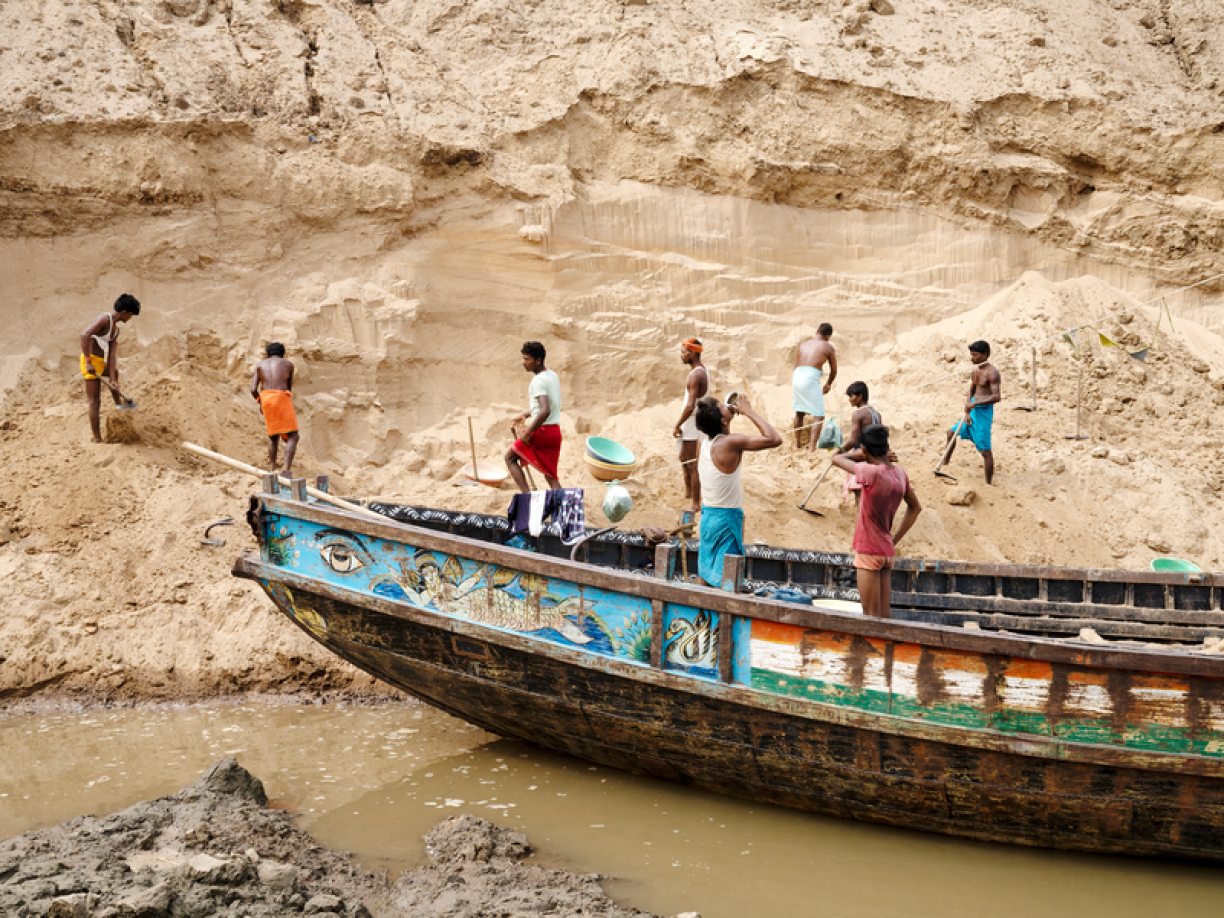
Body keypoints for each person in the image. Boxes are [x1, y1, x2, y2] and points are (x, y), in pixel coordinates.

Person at [832, 425, 922, 619]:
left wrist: (860, 454)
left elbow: (836, 458)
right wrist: (894, 539)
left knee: (871, 616)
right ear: (887, 447)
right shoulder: (900, 473)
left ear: (865, 450)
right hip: (886, 551)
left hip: (868, 550)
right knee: (884, 616)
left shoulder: (871, 472)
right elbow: (916, 508)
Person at [694, 394, 782, 588]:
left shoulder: (703, 439)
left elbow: (708, 425)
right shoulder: (730, 443)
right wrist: (748, 411)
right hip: (726, 520)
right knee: (729, 580)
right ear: (723, 420)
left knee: (705, 575)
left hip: (707, 517)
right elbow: (774, 439)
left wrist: (727, 414)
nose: (725, 405)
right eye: (721, 406)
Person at [79, 294, 140, 443]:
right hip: (90, 362)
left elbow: (111, 356)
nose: (130, 318)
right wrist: (88, 362)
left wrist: (113, 380)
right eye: (131, 315)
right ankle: (97, 438)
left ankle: (119, 406)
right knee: (95, 401)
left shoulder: (116, 330)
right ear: (124, 312)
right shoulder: (105, 319)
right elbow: (84, 336)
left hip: (100, 362)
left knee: (115, 374)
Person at [941, 340, 1002, 484]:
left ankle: (988, 483)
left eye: (975, 355)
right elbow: (971, 391)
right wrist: (968, 410)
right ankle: (944, 464)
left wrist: (975, 403)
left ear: (984, 355)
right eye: (971, 355)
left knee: (985, 451)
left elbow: (996, 397)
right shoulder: (975, 371)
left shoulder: (992, 372)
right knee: (951, 433)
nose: (972, 358)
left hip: (984, 413)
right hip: (972, 411)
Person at [506, 341, 562, 493]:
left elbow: (545, 411)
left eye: (527, 359)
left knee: (510, 458)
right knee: (551, 476)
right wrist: (525, 414)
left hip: (541, 433)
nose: (523, 362)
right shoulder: (552, 375)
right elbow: (548, 407)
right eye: (523, 358)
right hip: (554, 433)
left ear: (538, 360)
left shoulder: (538, 381)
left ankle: (528, 497)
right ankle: (563, 507)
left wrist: (527, 434)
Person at [671, 337, 710, 516]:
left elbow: (690, 406)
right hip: (692, 422)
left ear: (692, 353)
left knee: (693, 464)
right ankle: (689, 493)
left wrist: (677, 424)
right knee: (684, 458)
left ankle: (695, 504)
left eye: (683, 352)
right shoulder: (701, 371)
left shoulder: (696, 375)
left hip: (692, 423)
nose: (681, 355)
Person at [251, 342, 300, 476]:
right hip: (281, 396)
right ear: (283, 354)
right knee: (293, 436)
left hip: (266, 398)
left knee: (273, 435)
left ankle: (272, 468)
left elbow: (253, 389)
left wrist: (260, 402)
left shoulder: (260, 365)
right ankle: (286, 468)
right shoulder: (288, 364)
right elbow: (288, 387)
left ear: (267, 354)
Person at [792, 322, 837, 451]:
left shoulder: (803, 344)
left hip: (797, 375)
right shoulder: (827, 346)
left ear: (817, 332)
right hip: (810, 376)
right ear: (828, 336)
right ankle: (812, 448)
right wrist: (828, 384)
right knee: (819, 415)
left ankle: (797, 444)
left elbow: (796, 365)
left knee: (799, 412)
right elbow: (834, 370)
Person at [838, 381, 883, 504]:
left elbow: (853, 440)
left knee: (859, 492)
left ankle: (863, 515)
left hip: (861, 454)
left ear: (860, 396)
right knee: (869, 491)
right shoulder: (877, 414)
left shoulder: (858, 414)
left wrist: (840, 451)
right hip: (877, 456)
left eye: (851, 396)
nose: (850, 399)